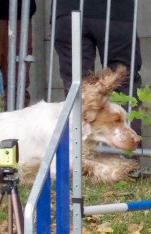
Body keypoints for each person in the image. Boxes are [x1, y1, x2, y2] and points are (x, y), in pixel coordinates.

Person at [54, 0, 142, 137]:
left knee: (77, 88)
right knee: (124, 84)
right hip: (117, 12)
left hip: (68, 11)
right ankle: (125, 152)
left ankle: (79, 152)